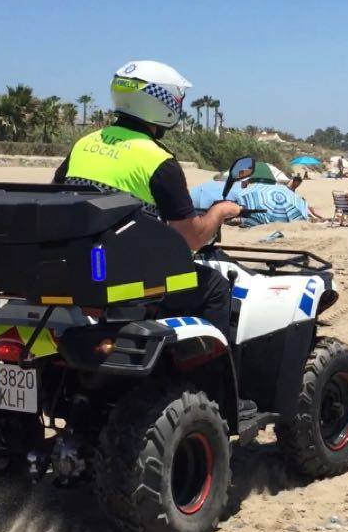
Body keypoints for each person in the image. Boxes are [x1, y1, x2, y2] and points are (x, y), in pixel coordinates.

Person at [53, 60, 240, 331]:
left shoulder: (85, 143)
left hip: (74, 268)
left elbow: (58, 196)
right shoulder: (158, 161)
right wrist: (220, 211)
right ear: (161, 101)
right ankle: (212, 370)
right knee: (215, 287)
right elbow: (192, 238)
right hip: (126, 280)